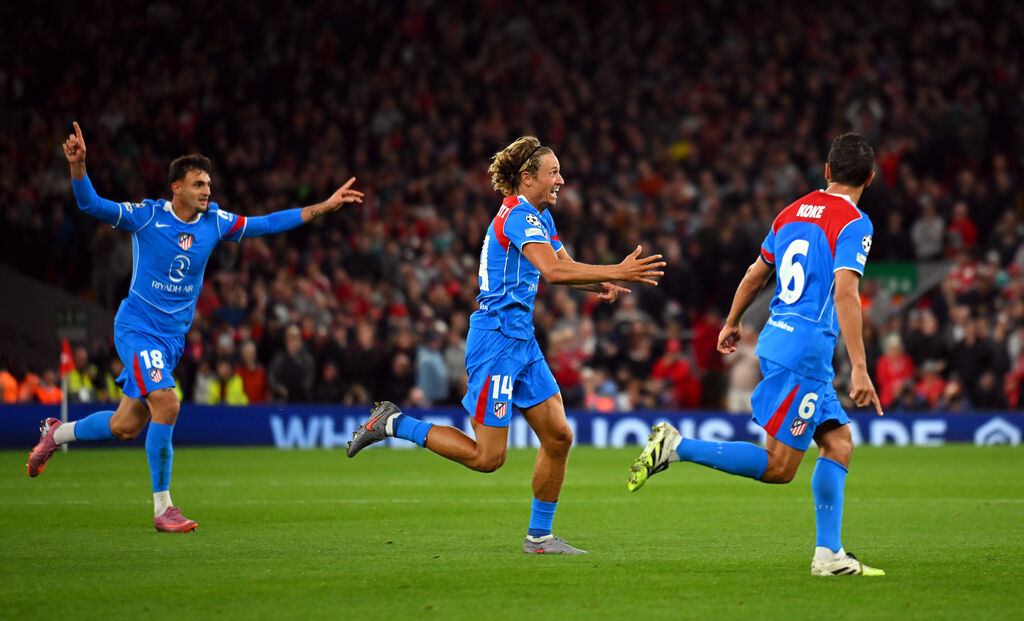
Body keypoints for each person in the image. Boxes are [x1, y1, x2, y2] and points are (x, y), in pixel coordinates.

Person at [28, 122, 363, 532]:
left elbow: (268, 223)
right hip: (137, 327)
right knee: (167, 403)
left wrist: (323, 208)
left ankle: (56, 433)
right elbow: (91, 205)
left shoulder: (216, 222)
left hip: (171, 339)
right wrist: (79, 167)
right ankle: (163, 508)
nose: (207, 190)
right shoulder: (147, 217)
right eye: (199, 183)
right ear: (177, 188)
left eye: (209, 183)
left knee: (125, 426)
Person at [347, 136, 665, 554]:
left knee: (558, 437)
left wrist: (598, 283)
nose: (561, 180)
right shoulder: (516, 217)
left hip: (523, 341)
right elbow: (551, 271)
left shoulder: (540, 218)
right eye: (553, 173)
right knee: (488, 458)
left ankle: (539, 538)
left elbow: (564, 266)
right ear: (526, 178)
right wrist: (619, 270)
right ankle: (394, 423)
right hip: (495, 340)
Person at [627, 133, 886, 576]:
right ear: (870, 178)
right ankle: (677, 446)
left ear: (826, 172)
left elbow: (755, 273)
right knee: (780, 467)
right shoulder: (855, 223)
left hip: (779, 340)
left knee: (839, 443)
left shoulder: (790, 212)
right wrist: (860, 367)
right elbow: (845, 291)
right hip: (804, 353)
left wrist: (732, 321)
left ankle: (829, 555)